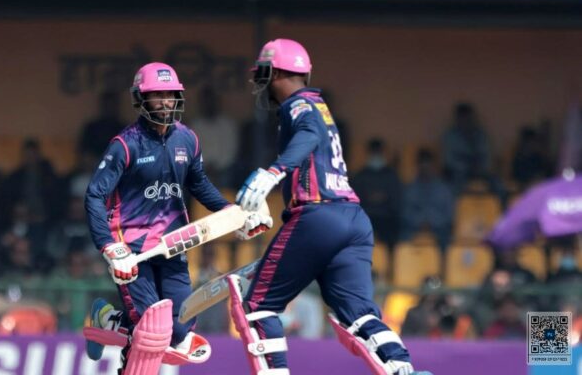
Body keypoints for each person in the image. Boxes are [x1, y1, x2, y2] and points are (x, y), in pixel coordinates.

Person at [232, 39, 431, 374]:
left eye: (264, 74)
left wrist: (274, 172)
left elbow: (308, 136)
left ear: (275, 73)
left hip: (317, 216)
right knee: (358, 313)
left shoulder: (298, 105)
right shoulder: (318, 105)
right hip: (353, 218)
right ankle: (403, 369)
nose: (261, 84)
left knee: (258, 306)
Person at [83, 62, 271, 373]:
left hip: (173, 243)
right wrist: (109, 247)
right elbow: (94, 195)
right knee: (150, 330)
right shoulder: (125, 145)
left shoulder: (188, 139)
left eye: (171, 95)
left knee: (180, 332)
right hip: (131, 246)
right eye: (157, 95)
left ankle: (107, 318)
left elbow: (199, 184)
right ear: (141, 99)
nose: (166, 102)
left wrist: (234, 214)